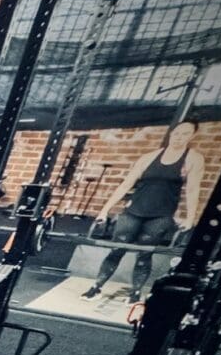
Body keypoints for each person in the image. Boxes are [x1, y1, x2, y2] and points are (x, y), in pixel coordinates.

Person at [83, 121, 204, 303]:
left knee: (144, 255)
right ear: (172, 133)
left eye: (186, 134)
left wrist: (190, 218)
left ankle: (135, 292)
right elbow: (126, 184)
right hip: (133, 212)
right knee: (117, 250)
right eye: (177, 133)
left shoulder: (193, 159)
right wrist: (104, 210)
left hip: (161, 216)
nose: (180, 137)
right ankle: (96, 287)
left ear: (192, 136)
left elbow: (193, 189)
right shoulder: (149, 157)